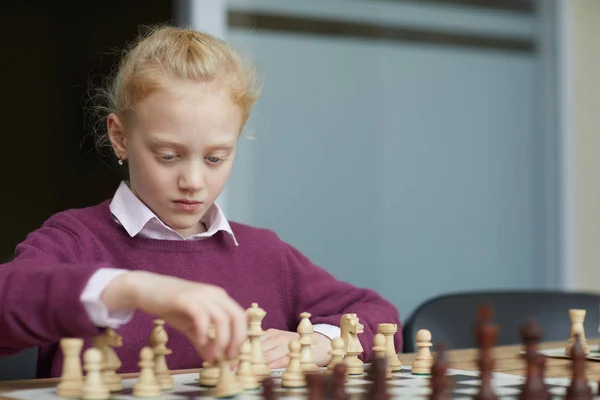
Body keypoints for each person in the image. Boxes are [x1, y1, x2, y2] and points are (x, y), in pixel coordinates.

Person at [0, 25, 401, 378]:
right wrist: (133, 288)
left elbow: (380, 314)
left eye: (215, 158)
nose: (192, 181)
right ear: (120, 137)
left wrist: (323, 342)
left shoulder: (264, 253)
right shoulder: (75, 240)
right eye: (168, 155)